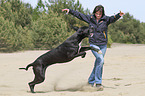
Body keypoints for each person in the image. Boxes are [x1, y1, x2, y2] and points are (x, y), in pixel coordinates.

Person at [62, 5, 124, 91]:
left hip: (103, 45)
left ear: (102, 13)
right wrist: (70, 10)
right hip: (93, 44)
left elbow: (113, 18)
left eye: (99, 14)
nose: (98, 15)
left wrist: (119, 15)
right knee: (101, 60)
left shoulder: (106, 19)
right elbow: (80, 15)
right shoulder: (90, 18)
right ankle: (98, 83)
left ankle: (90, 81)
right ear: (94, 12)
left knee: (98, 63)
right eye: (96, 13)